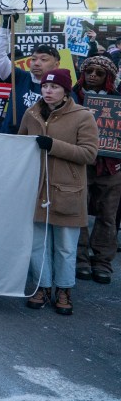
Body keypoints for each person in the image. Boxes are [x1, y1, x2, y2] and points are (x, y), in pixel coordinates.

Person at [18, 69, 98, 315]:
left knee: (65, 246)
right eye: (44, 87)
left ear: (65, 91)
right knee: (38, 245)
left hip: (67, 190)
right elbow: (20, 145)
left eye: (54, 87)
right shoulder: (31, 114)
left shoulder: (82, 116)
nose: (47, 91)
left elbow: (89, 154)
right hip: (37, 189)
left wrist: (53, 146)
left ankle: (64, 289)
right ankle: (42, 287)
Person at [71, 56, 121, 285]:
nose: (93, 75)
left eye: (99, 73)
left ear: (108, 78)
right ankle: (80, 259)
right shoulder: (72, 98)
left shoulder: (118, 101)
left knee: (108, 217)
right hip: (82, 164)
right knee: (78, 213)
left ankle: (102, 262)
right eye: (89, 71)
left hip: (112, 167)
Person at [0, 16, 62, 132]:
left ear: (56, 65)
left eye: (44, 60)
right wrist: (5, 27)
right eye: (33, 59)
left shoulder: (62, 88)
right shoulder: (19, 77)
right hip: (11, 140)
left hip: (40, 144)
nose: (36, 63)